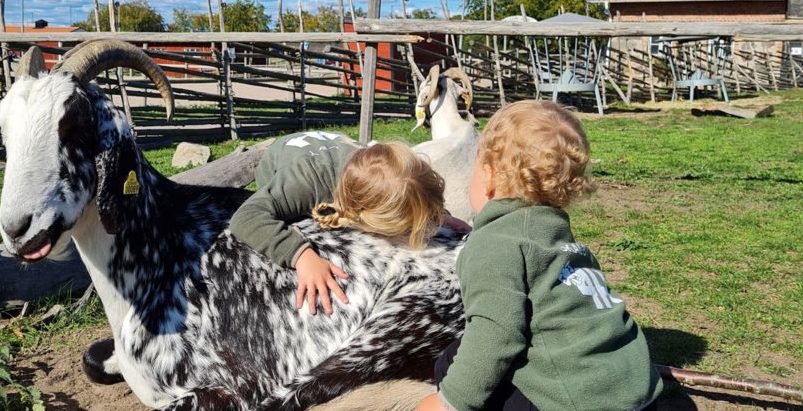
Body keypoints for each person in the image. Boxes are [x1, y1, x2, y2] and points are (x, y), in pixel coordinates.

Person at [417, 101, 662, 411]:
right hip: (638, 387)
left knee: (450, 362)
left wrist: (451, 402)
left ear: (489, 175)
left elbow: (496, 333)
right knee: (458, 353)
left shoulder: (494, 242)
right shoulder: (556, 233)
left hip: (580, 402)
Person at [229, 130, 461, 316]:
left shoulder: (373, 165)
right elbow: (246, 217)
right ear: (364, 217)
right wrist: (301, 255)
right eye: (406, 227)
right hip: (289, 156)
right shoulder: (303, 185)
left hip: (327, 149)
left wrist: (439, 216)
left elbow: (413, 192)